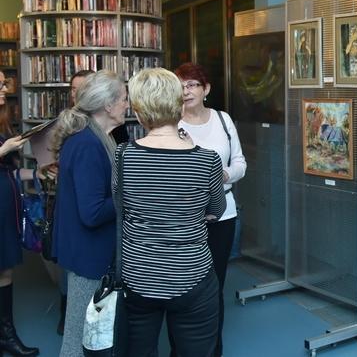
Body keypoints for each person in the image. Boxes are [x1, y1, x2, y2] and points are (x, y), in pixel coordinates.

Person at [120, 67, 226, 356]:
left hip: (138, 276)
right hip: (192, 275)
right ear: (179, 107)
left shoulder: (123, 156)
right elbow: (217, 210)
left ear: (138, 113)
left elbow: (121, 207)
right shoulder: (207, 160)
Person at [51, 70, 128, 357]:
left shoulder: (95, 138)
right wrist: (130, 193)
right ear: (108, 105)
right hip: (88, 257)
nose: (126, 104)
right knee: (78, 339)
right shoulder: (88, 144)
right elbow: (92, 213)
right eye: (123, 99)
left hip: (89, 252)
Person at [174, 62, 246, 357]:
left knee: (214, 285)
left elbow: (240, 162)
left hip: (223, 214)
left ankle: (213, 350)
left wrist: (224, 175)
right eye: (181, 85)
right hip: (184, 217)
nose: (186, 90)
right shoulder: (170, 123)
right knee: (182, 286)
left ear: (206, 89)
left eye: (192, 84)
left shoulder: (223, 120)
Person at [0, 70, 41, 357]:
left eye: (4, 83)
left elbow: (9, 173)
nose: (5, 88)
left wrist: (38, 173)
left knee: (5, 270)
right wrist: (3, 149)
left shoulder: (3, 121)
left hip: (5, 206)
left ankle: (6, 335)